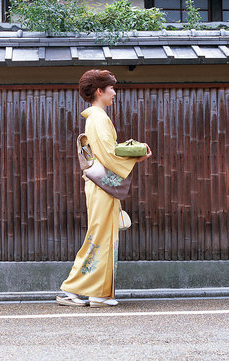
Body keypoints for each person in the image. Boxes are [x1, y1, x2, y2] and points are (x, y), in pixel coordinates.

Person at [57, 69, 152, 307]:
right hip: (101, 187)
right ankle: (72, 289)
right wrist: (135, 156)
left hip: (100, 187)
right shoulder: (98, 118)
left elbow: (109, 151)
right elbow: (109, 154)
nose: (114, 93)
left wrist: (130, 152)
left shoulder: (96, 118)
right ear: (100, 91)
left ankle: (98, 292)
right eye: (111, 88)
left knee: (105, 235)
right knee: (99, 235)